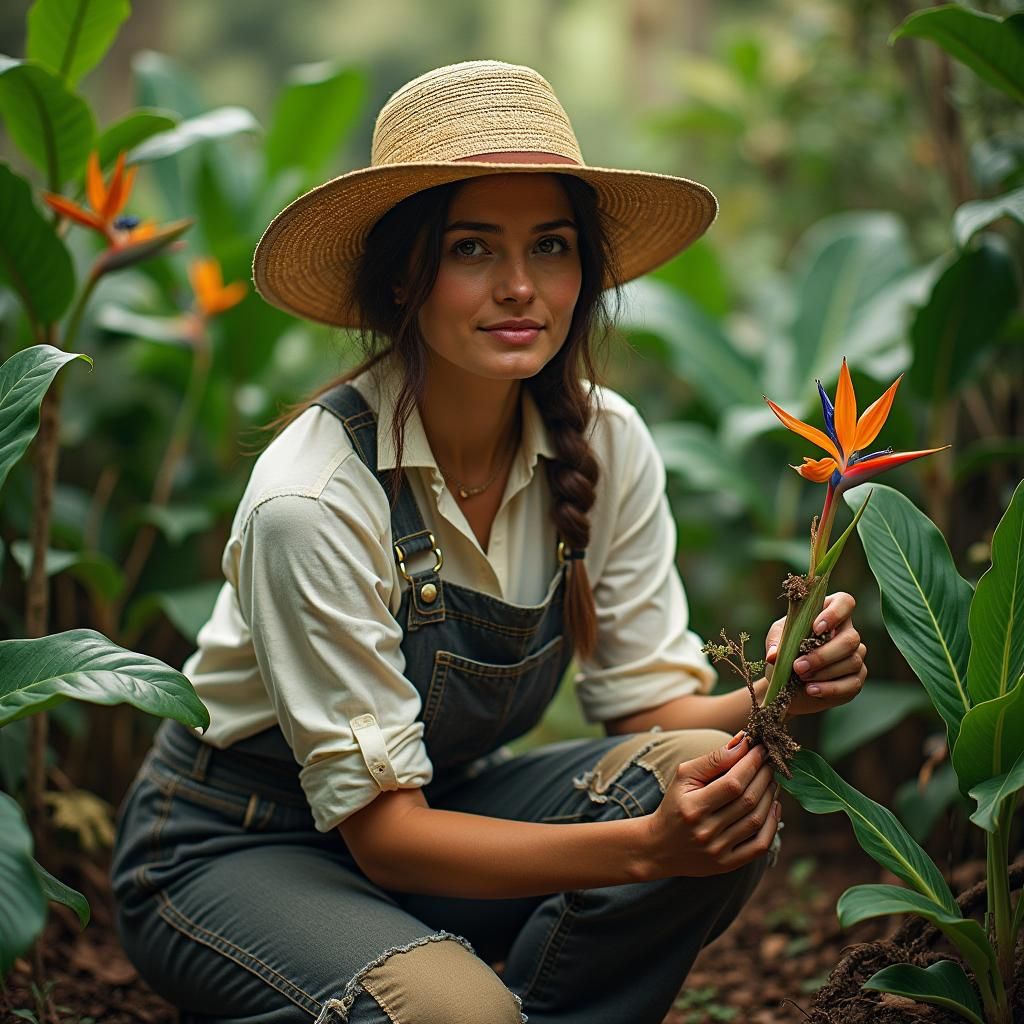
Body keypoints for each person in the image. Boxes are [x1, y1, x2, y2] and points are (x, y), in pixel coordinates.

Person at [110, 59, 868, 1024]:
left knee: (705, 785)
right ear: (401, 279)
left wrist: (774, 692)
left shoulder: (604, 443)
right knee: (454, 1013)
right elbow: (388, 838)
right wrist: (643, 850)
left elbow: (651, 710)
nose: (520, 287)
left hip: (445, 816)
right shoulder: (312, 500)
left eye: (550, 246)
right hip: (234, 846)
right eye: (473, 249)